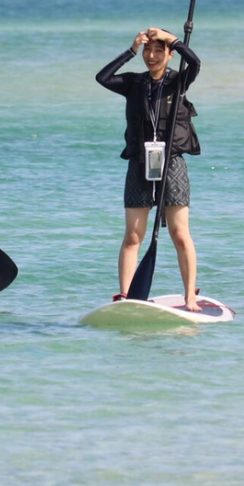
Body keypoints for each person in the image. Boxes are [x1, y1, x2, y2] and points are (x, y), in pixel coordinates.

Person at [96, 26, 202, 310]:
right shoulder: (133, 83)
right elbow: (102, 77)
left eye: (158, 50)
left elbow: (195, 63)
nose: (151, 56)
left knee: (179, 234)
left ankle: (190, 295)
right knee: (133, 236)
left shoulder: (178, 81)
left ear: (169, 54)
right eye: (147, 50)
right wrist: (130, 50)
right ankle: (125, 295)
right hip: (139, 164)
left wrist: (173, 40)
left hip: (172, 164)